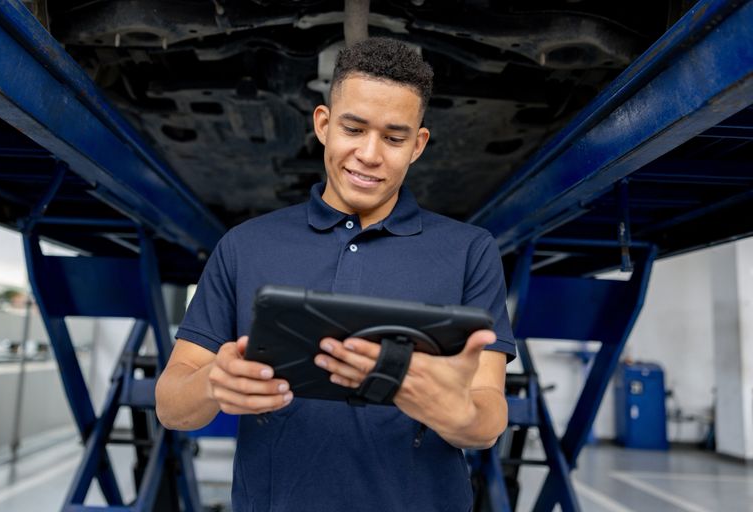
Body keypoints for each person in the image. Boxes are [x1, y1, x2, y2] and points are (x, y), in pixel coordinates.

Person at [156, 37, 516, 511]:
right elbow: (170, 405)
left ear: (418, 145)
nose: (370, 154)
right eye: (353, 128)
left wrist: (460, 414)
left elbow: (488, 418)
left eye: (394, 137)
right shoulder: (244, 246)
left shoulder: (470, 251)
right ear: (323, 125)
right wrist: (210, 384)